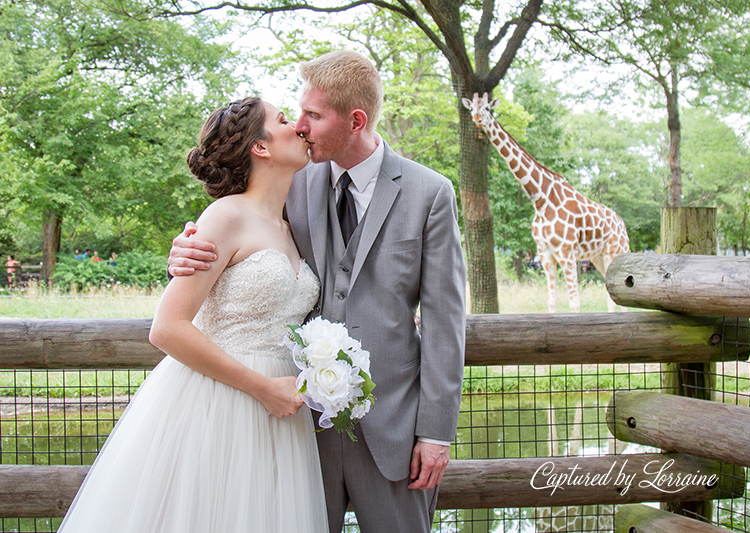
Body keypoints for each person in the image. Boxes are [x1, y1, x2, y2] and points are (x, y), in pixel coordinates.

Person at [169, 50, 467, 533]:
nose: (301, 125)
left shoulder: (429, 193)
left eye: (313, 115)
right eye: (296, 112)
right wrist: (184, 252)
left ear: (355, 120)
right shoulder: (293, 181)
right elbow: (239, 238)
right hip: (294, 429)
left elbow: (445, 322)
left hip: (393, 427)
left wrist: (435, 433)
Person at [57, 97, 328, 532]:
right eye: (282, 120)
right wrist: (261, 387)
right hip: (218, 403)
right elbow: (166, 329)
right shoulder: (225, 216)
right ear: (259, 147)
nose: (298, 126)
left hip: (280, 412)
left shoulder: (291, 225)